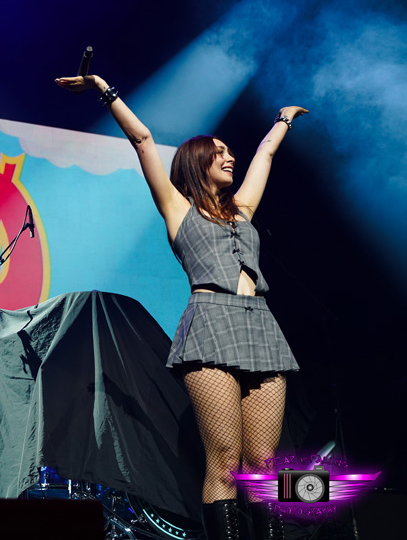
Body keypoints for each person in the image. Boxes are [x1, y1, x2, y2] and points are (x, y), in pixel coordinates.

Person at [55, 73, 307, 540]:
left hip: (262, 327)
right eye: (220, 152)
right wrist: (104, 88)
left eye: (231, 151)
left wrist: (282, 121)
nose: (230, 157)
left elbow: (265, 156)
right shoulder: (177, 209)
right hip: (211, 323)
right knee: (227, 461)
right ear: (197, 162)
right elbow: (143, 139)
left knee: (264, 466)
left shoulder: (243, 211)